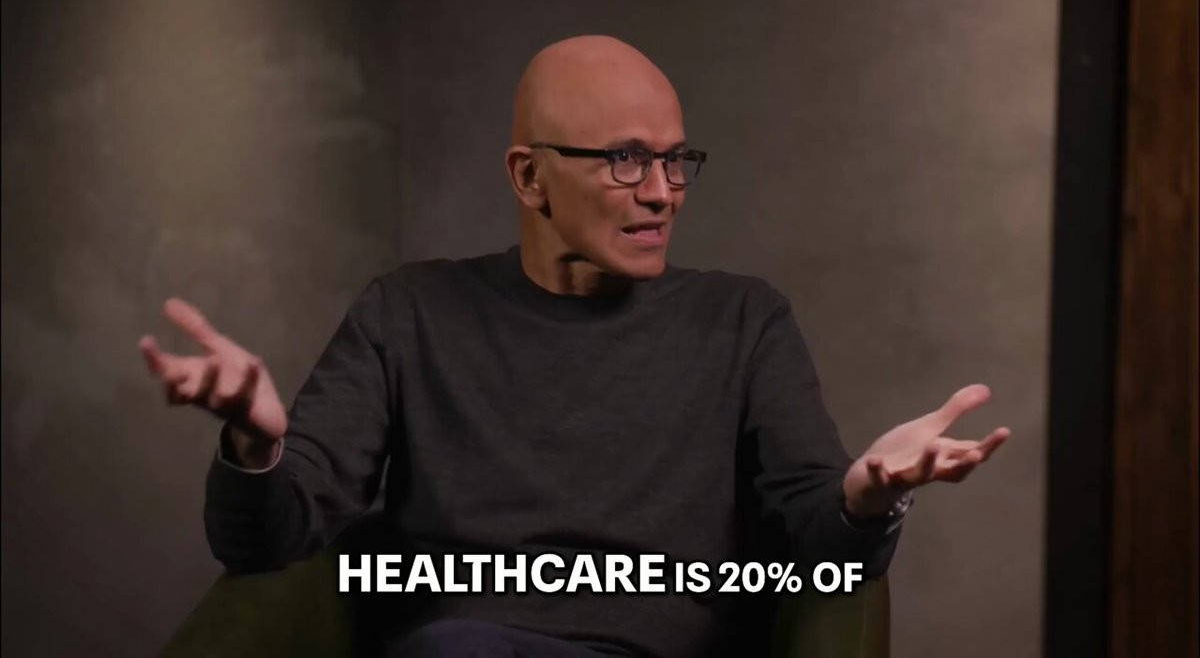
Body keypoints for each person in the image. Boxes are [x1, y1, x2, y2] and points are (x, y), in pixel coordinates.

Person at [139, 35, 1009, 657]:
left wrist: (866, 496)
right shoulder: (408, 313)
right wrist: (253, 442)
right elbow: (267, 542)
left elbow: (819, 553)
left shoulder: (743, 322)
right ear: (529, 176)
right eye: (627, 159)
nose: (663, 191)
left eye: (676, 161)